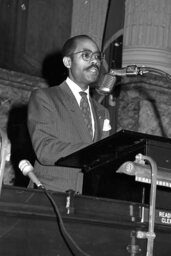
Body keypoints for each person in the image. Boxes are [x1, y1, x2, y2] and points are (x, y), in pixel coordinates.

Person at [27, 34, 111, 193]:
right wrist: (96, 151)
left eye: (98, 57)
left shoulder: (103, 112)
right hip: (51, 195)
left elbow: (102, 162)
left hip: (90, 201)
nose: (94, 62)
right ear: (67, 62)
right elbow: (45, 149)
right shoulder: (45, 97)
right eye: (86, 55)